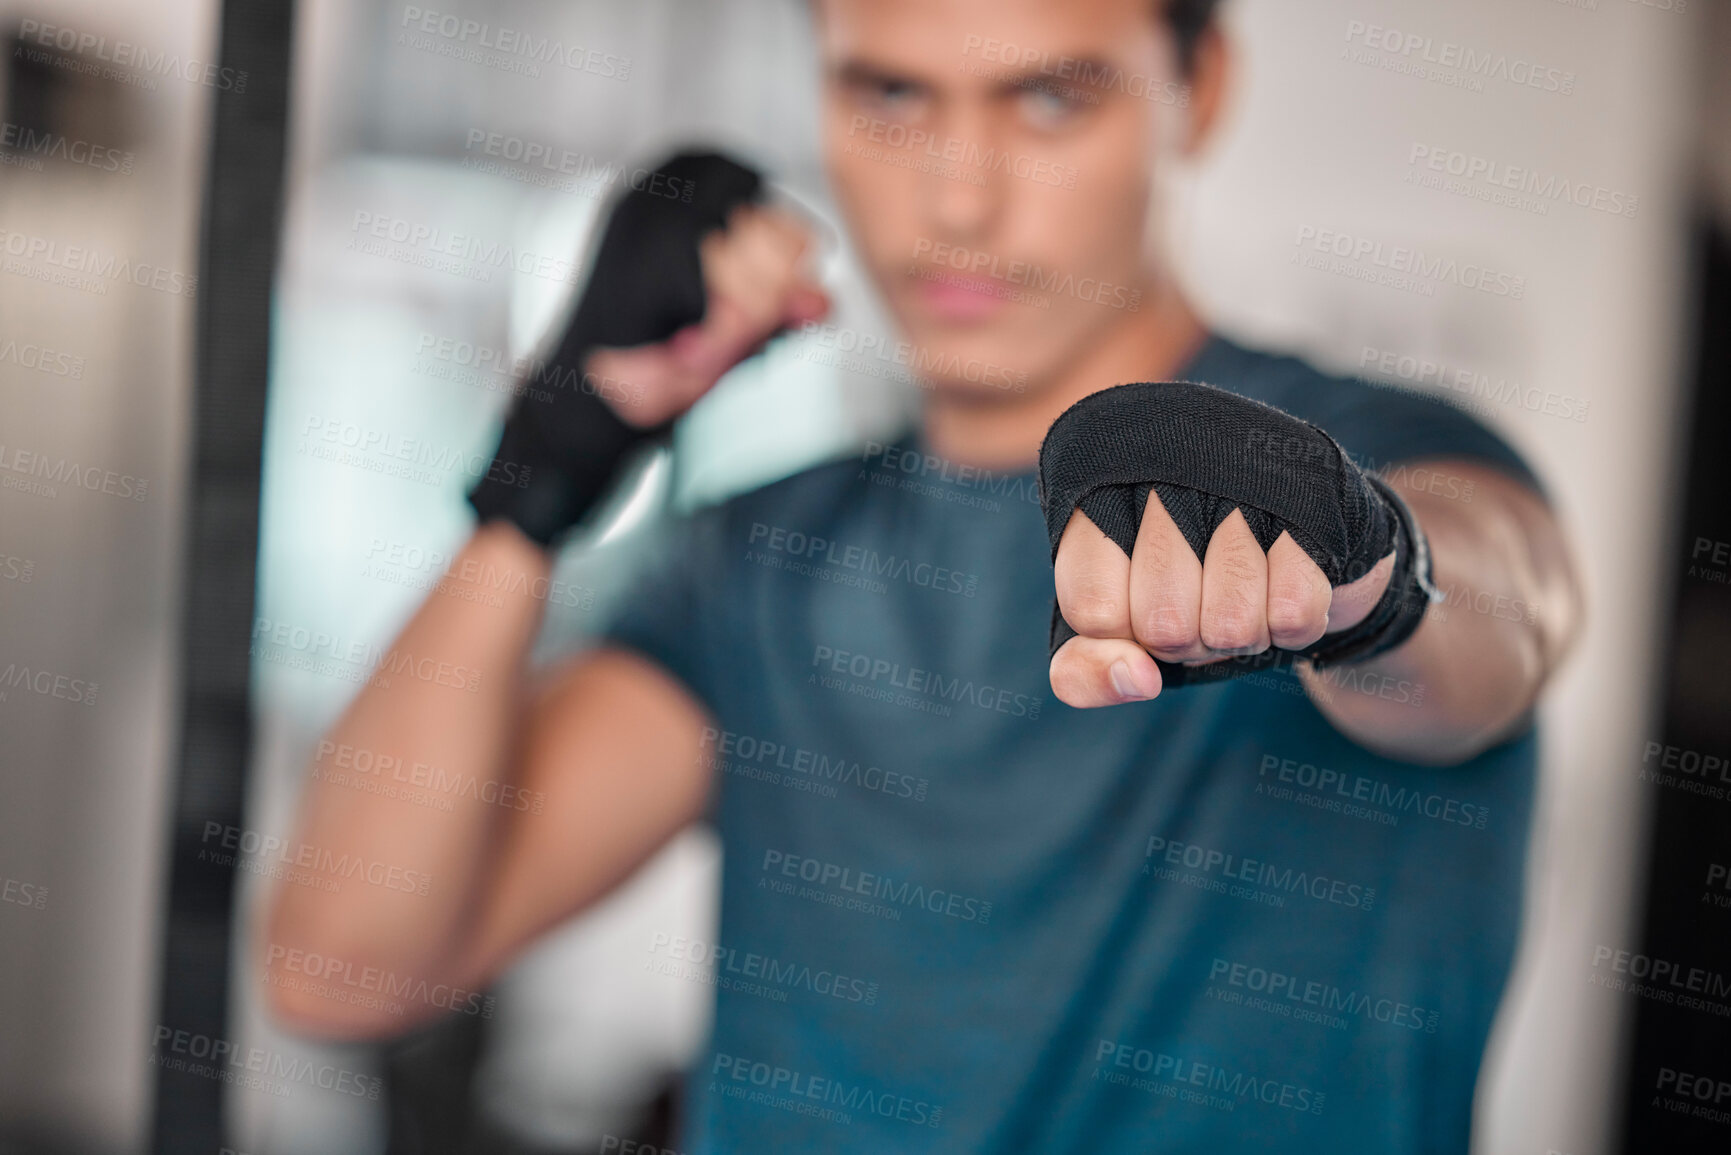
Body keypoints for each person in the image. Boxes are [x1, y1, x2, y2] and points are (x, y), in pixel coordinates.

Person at [264, 0, 1582, 1150]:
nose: (957, 198)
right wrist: (545, 469)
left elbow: (1500, 620)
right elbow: (339, 970)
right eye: (890, 94)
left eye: (1051, 100)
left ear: (1201, 89)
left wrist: (1367, 583)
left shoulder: (1382, 464)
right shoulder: (767, 562)